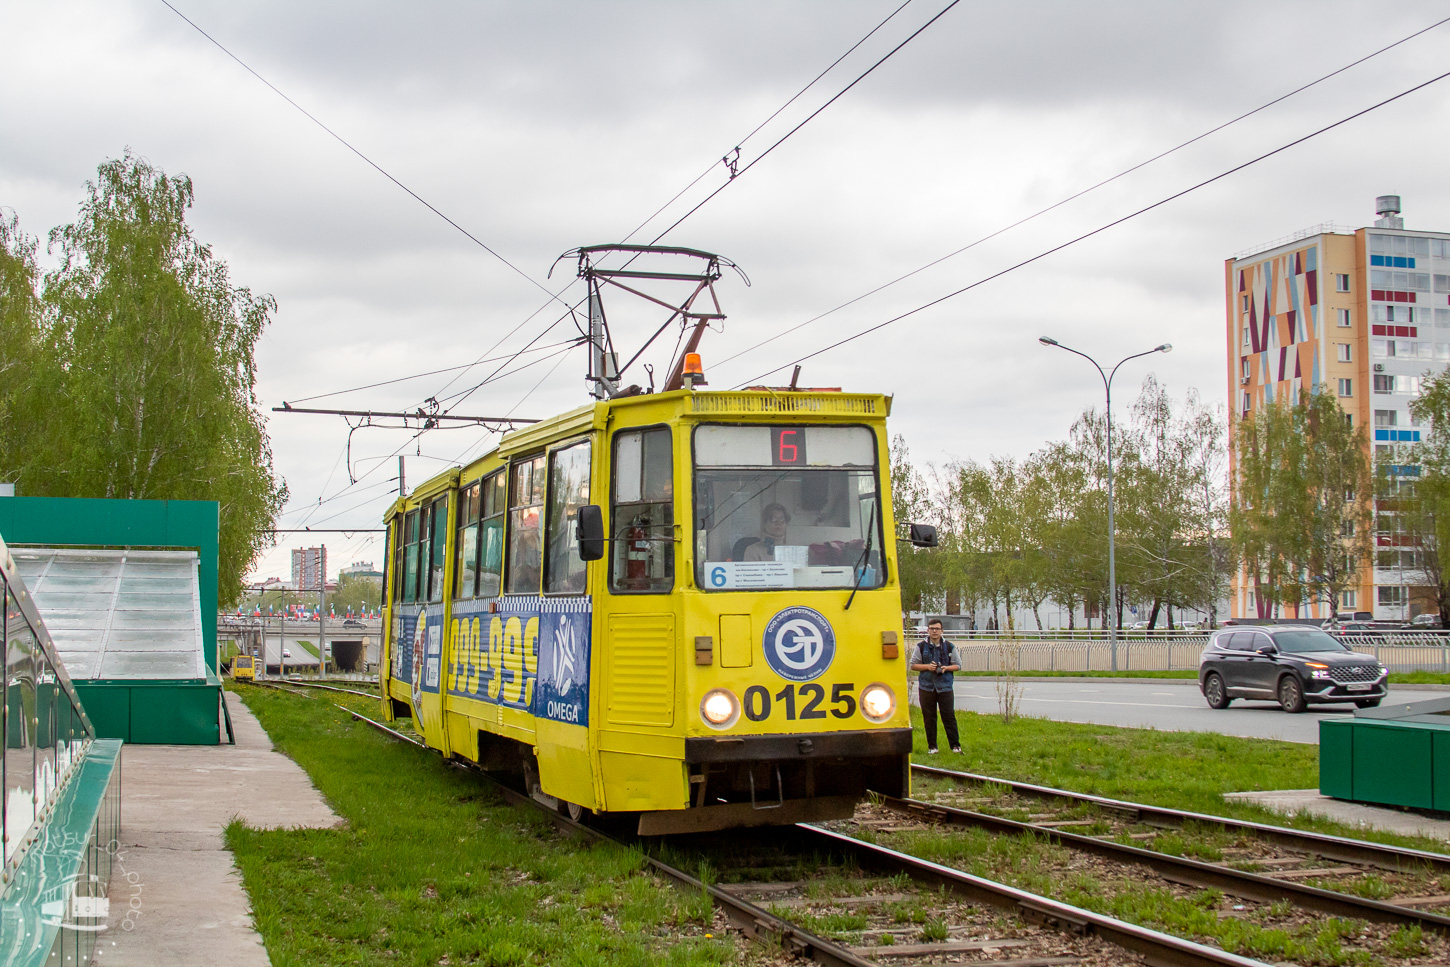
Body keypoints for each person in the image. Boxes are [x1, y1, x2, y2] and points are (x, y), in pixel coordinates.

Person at [909, 618, 961, 754]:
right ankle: (932, 747)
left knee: (949, 716)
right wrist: (927, 667)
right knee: (929, 718)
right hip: (926, 687)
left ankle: (955, 746)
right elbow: (913, 665)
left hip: (945, 687)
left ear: (942, 631)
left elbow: (958, 665)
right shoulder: (921, 646)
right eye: (931, 629)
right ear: (928, 631)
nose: (934, 631)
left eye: (937, 629)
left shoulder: (949, 646)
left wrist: (946, 668)